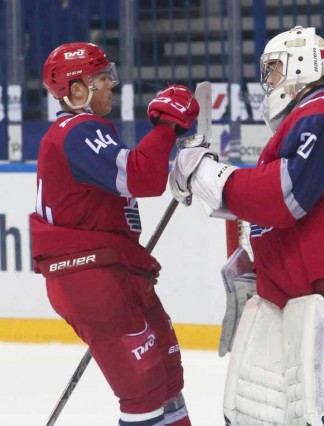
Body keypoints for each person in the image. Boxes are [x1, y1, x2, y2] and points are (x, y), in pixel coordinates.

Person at [169, 26, 324, 425]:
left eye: (273, 69)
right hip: (312, 279)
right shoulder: (303, 121)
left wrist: (209, 174)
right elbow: (271, 202)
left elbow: (285, 195)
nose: (267, 81)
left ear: (300, 65)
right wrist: (207, 181)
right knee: (320, 396)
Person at [30, 42, 199, 426]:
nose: (111, 85)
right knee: (144, 394)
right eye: (102, 77)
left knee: (167, 380)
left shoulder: (83, 132)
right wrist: (167, 126)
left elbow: (133, 179)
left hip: (112, 273)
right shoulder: (77, 130)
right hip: (89, 278)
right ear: (76, 90)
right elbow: (139, 177)